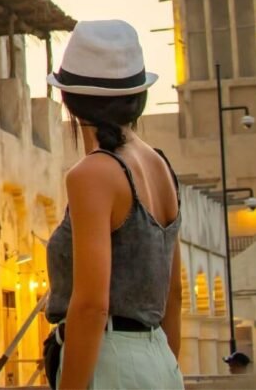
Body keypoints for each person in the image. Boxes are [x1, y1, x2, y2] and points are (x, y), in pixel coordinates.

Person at [44, 20, 184, 389]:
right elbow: (174, 293)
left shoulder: (94, 174)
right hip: (158, 360)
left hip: (108, 361)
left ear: (69, 98)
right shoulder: (160, 165)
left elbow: (91, 305)